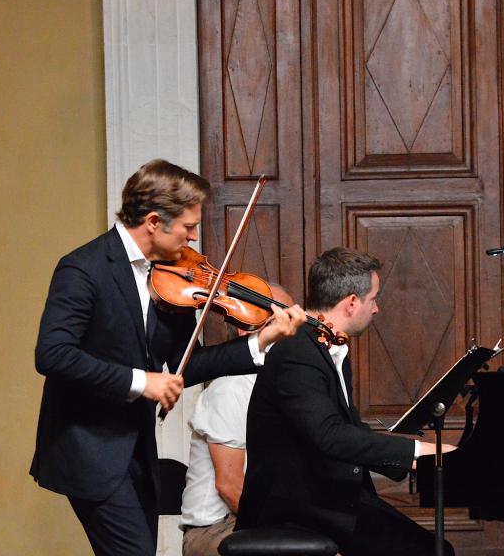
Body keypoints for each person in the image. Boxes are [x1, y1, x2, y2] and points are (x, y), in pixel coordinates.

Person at [30, 159, 306, 556]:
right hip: (88, 447)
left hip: (136, 447)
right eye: (188, 227)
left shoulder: (172, 278)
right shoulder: (83, 269)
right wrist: (143, 381)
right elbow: (53, 354)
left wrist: (261, 341)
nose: (193, 239)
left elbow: (186, 365)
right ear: (155, 221)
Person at [237, 247, 455, 556]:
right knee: (432, 551)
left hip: (329, 500)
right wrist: (417, 450)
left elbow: (348, 428)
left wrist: (413, 454)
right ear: (352, 303)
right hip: (295, 511)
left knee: (436, 549)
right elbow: (330, 436)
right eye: (373, 299)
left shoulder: (329, 346)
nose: (376, 309)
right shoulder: (296, 351)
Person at [180, 283, 294, 556]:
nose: (294, 328)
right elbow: (229, 486)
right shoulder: (230, 388)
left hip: (250, 520)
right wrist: (286, 531)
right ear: (247, 328)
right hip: (216, 530)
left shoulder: (278, 382)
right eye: (282, 317)